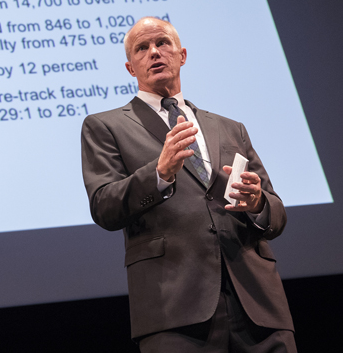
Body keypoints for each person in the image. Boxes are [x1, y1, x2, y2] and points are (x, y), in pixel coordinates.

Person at [80, 17, 296, 352]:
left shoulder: (230, 128)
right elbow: (105, 206)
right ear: (130, 67)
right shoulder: (105, 127)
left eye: (162, 43)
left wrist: (257, 204)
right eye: (142, 48)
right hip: (175, 309)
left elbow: (276, 213)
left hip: (258, 305)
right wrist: (160, 172)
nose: (154, 52)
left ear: (182, 55)